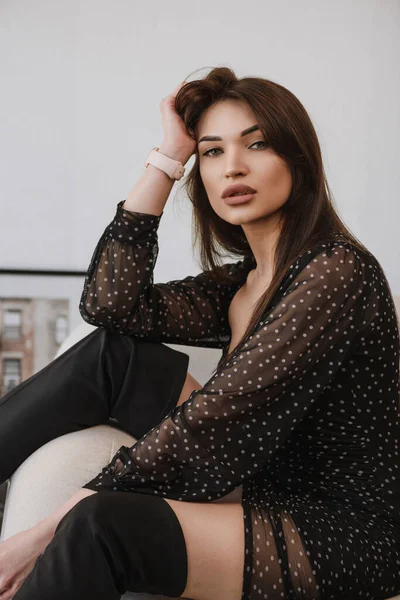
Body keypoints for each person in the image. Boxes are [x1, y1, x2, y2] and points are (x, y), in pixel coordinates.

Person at [0, 66, 399, 600]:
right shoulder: (245, 281)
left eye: (256, 145)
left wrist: (51, 524)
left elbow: (221, 425)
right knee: (112, 355)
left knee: (101, 524)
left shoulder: (334, 272)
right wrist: (168, 157)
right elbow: (109, 304)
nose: (233, 166)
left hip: (343, 530)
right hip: (260, 477)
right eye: (212, 152)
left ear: (297, 161)